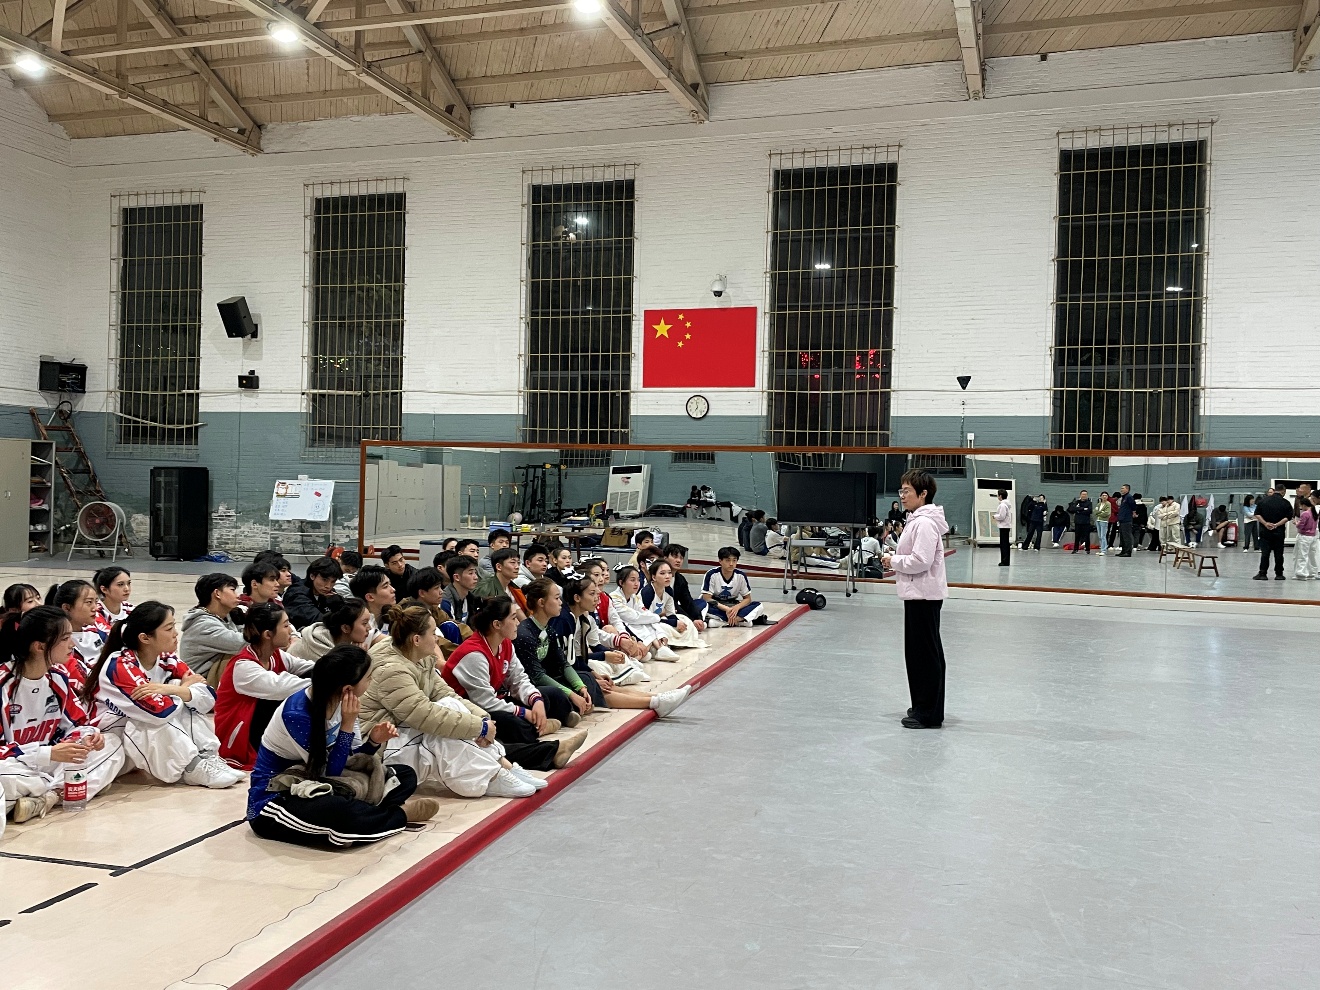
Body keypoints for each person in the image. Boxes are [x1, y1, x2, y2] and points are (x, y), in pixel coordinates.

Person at [246, 644, 435, 847]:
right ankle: (398, 815)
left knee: (405, 775)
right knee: (343, 815)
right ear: (348, 688)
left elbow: (349, 759)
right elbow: (329, 771)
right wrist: (347, 725)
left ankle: (370, 815)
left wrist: (373, 742)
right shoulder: (297, 714)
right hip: (279, 796)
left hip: (319, 781)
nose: (371, 680)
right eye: (368, 677)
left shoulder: (344, 701)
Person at [362, 604, 552, 798]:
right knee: (442, 728)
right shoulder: (391, 670)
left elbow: (446, 694)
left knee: (451, 708)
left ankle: (503, 767)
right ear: (416, 639)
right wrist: (479, 728)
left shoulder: (415, 654)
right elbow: (425, 716)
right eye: (433, 633)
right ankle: (490, 776)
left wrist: (483, 719)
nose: (437, 638)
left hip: (403, 734)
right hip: (381, 749)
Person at [84, 601, 244, 788]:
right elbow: (158, 712)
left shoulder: (167, 659)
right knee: (148, 717)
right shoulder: (120, 665)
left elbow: (208, 698)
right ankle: (191, 767)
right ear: (145, 638)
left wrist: (174, 689)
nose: (175, 633)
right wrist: (183, 689)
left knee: (181, 692)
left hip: (140, 748)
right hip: (111, 744)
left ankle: (206, 758)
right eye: (169, 629)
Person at [0, 606, 125, 823]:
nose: (72, 644)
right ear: (40, 646)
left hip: (50, 762)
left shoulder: (58, 678)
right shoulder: (3, 684)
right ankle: (69, 787)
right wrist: (46, 753)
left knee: (112, 745)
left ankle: (48, 797)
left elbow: (78, 723)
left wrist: (88, 736)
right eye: (65, 638)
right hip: (17, 763)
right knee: (4, 774)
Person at [441, 598, 587, 765]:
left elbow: (519, 679)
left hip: (492, 701)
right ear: (497, 624)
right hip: (471, 710)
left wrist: (536, 700)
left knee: (549, 694)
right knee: (513, 723)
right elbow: (484, 702)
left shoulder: (506, 644)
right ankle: (541, 730)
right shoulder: (474, 654)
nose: (518, 622)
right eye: (513, 618)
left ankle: (542, 723)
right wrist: (524, 712)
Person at [560, 578, 688, 716]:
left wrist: (594, 672)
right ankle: (654, 702)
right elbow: (564, 661)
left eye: (597, 593)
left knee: (605, 682)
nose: (597, 597)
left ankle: (657, 697)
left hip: (575, 667)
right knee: (594, 683)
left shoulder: (583, 618)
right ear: (577, 597)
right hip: (563, 673)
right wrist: (601, 661)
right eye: (592, 594)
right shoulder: (564, 620)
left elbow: (577, 657)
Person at [881, 469, 948, 729]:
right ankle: (924, 704)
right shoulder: (917, 520)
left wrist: (893, 561)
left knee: (924, 655)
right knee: (922, 653)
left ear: (923, 494)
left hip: (923, 595)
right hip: (919, 593)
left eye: (907, 491)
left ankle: (928, 712)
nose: (902, 495)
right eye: (902, 490)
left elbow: (921, 560)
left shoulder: (924, 523)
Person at [214, 604, 315, 771]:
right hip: (239, 735)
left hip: (258, 725)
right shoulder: (243, 666)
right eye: (285, 626)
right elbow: (281, 687)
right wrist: (326, 681)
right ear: (268, 634)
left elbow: (308, 667)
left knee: (312, 676)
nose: (290, 631)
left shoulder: (276, 655)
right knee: (297, 693)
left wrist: (334, 668)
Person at [514, 580, 590, 727]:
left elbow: (563, 663)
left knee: (585, 679)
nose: (561, 602)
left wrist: (581, 687)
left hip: (544, 678)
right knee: (554, 693)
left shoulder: (549, 630)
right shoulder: (524, 634)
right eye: (556, 598)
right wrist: (571, 694)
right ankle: (564, 714)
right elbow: (537, 676)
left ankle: (572, 708)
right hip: (527, 685)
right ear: (541, 602)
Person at [178, 573, 247, 685]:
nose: (237, 595)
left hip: (213, 678)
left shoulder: (228, 616)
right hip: (200, 683)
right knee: (239, 657)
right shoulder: (203, 625)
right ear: (217, 593)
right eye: (233, 590)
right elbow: (244, 643)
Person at [610, 565, 681, 660]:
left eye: (638, 580)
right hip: (622, 628)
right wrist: (656, 618)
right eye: (632, 580)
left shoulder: (635, 597)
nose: (636, 583)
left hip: (636, 624)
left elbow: (645, 613)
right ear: (621, 582)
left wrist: (660, 631)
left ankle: (660, 648)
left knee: (650, 623)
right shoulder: (614, 597)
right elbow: (633, 617)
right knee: (645, 623)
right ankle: (650, 650)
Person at [46, 579, 101, 687]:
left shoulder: (96, 630)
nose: (95, 608)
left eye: (96, 601)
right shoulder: (57, 643)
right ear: (66, 608)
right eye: (89, 602)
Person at [641, 559, 705, 648]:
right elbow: (646, 619)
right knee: (663, 628)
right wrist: (674, 623)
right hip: (646, 623)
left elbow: (671, 614)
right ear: (654, 577)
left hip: (658, 619)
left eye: (669, 573)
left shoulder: (668, 590)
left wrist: (677, 622)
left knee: (685, 620)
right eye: (662, 573)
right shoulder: (647, 592)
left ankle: (676, 642)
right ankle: (670, 643)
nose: (667, 576)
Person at [288, 597, 372, 662]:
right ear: (345, 628)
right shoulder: (320, 653)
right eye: (364, 623)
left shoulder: (340, 640)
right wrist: (359, 657)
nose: (369, 628)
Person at [701, 547, 767, 626]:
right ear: (720, 561)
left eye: (734, 560)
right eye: (728, 560)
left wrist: (736, 608)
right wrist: (726, 609)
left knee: (758, 605)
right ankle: (742, 621)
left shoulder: (740, 576)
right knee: (699, 605)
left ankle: (731, 621)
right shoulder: (712, 574)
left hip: (733, 605)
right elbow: (707, 598)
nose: (731, 564)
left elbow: (747, 599)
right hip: (716, 606)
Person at [283, 557, 344, 631]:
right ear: (312, 576)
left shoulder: (329, 593)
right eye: (324, 580)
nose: (328, 586)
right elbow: (317, 620)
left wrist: (339, 604)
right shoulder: (296, 593)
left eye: (333, 582)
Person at [440, 554, 482, 645]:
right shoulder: (445, 601)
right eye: (470, 573)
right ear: (457, 577)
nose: (476, 577)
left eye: (475, 573)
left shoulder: (471, 599)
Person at [1253, 486, 1293, 580]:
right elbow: (1288, 517)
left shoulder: (1263, 501)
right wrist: (1276, 525)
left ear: (1275, 491)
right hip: (1279, 532)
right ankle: (1279, 574)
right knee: (1279, 554)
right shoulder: (1286, 503)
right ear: (1283, 491)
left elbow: (1257, 514)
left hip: (1265, 531)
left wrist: (1265, 523)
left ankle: (1263, 574)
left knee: (1265, 553)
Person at [475, 548, 527, 617]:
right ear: (499, 567)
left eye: (518, 563)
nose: (517, 567)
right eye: (513, 562)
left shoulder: (513, 588)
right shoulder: (485, 590)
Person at [349, 566, 397, 639]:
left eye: (390, 584)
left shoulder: (390, 615)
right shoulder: (361, 628)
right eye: (385, 586)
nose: (393, 589)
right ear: (370, 597)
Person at [92, 566, 134, 635]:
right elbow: (111, 635)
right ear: (104, 589)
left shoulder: (131, 609)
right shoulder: (94, 612)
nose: (127, 589)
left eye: (128, 583)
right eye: (120, 584)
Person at [1293, 485, 1318, 579]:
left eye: (1301, 506)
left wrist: (1296, 523)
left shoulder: (1305, 514)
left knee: (1302, 555)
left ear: (1304, 505)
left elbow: (1300, 525)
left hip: (1304, 536)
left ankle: (1301, 573)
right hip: (1313, 536)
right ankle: (1312, 572)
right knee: (1312, 555)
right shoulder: (1314, 513)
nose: (1300, 507)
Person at [1068, 490, 1093, 554]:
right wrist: (1083, 509)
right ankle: (1075, 549)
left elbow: (1089, 511)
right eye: (1083, 494)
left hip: (1086, 522)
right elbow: (1072, 509)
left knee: (1087, 536)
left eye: (1085, 494)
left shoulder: (1089, 503)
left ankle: (1087, 549)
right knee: (1077, 536)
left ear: (1087, 495)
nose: (1084, 496)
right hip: (1078, 522)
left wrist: (1079, 510)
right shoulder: (1077, 502)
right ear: (1080, 495)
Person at [993, 489, 1013, 566]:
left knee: (1004, 544)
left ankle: (1005, 561)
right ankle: (1005, 560)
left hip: (1004, 526)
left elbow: (1002, 516)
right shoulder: (1005, 505)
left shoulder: (1002, 505)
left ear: (1000, 496)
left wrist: (995, 516)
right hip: (1005, 526)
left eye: (998, 495)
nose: (997, 497)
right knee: (1005, 544)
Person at [1116, 485, 1136, 556]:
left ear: (1127, 489)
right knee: (1123, 537)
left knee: (1127, 536)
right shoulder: (1123, 498)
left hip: (1127, 519)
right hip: (1122, 520)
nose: (1121, 490)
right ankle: (1123, 550)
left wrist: (1133, 512)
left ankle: (1128, 551)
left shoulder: (1129, 497)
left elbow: (1133, 506)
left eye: (1123, 488)